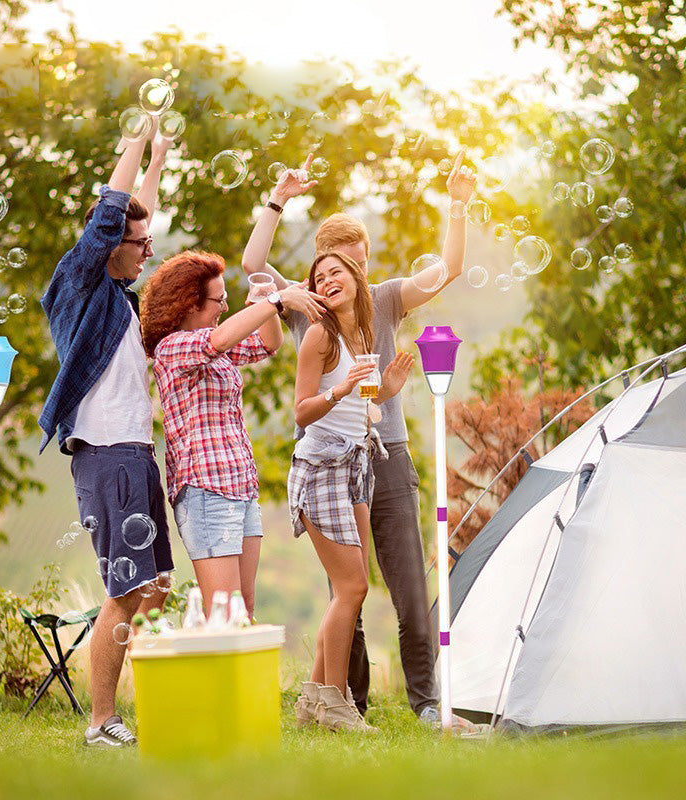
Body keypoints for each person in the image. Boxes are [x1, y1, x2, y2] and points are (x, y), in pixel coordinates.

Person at [241, 151, 478, 730]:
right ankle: (350, 701)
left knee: (405, 587)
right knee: (348, 589)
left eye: (360, 262)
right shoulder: (309, 306)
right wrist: (278, 198)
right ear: (325, 264)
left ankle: (424, 703)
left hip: (387, 457)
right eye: (341, 263)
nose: (352, 274)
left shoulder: (389, 296)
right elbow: (252, 262)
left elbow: (447, 267)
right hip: (335, 463)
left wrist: (457, 206)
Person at [38, 121, 173, 747]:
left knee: (154, 587)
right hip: (107, 453)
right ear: (107, 244)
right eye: (139, 244)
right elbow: (115, 215)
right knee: (124, 591)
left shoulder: (118, 295)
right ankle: (100, 724)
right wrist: (137, 143)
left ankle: (153, 698)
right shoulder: (81, 284)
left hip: (135, 453)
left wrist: (159, 163)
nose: (149, 252)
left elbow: (134, 218)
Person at [139, 252, 325, 618]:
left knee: (244, 609)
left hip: (240, 487)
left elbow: (268, 345)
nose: (224, 306)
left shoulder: (214, 348)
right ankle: (215, 677)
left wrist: (266, 304)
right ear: (190, 303)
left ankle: (243, 678)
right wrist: (277, 300)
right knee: (223, 613)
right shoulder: (173, 348)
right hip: (205, 492)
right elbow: (220, 340)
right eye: (218, 300)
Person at [287, 249, 414, 732]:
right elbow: (302, 412)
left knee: (351, 590)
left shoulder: (362, 333)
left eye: (335, 272)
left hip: (356, 462)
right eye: (319, 278)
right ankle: (338, 705)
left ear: (357, 278)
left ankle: (311, 706)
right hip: (320, 467)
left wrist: (384, 389)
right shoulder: (320, 336)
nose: (327, 280)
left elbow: (361, 403)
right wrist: (341, 391)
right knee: (352, 587)